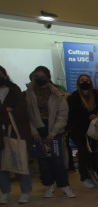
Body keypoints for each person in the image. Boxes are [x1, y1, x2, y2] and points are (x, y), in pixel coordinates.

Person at [25, 66, 74, 199]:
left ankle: (64, 186)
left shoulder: (57, 93)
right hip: (37, 128)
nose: (39, 79)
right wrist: (33, 131)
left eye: (42, 77)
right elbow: (27, 115)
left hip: (54, 128)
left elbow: (62, 114)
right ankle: (48, 186)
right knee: (43, 161)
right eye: (37, 76)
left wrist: (54, 131)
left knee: (58, 160)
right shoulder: (28, 94)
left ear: (47, 77)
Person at [0, 65, 33, 204]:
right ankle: (5, 192)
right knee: (2, 165)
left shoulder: (15, 90)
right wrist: (6, 111)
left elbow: (21, 112)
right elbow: (7, 111)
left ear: (5, 75)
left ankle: (25, 191)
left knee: (20, 162)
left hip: (16, 132)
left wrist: (6, 113)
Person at [67, 73, 98, 189]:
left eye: (87, 80)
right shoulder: (73, 97)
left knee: (95, 153)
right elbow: (72, 114)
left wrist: (96, 115)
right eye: (82, 80)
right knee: (83, 153)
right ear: (78, 82)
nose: (85, 82)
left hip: (93, 129)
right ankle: (85, 177)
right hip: (79, 130)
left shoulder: (95, 96)